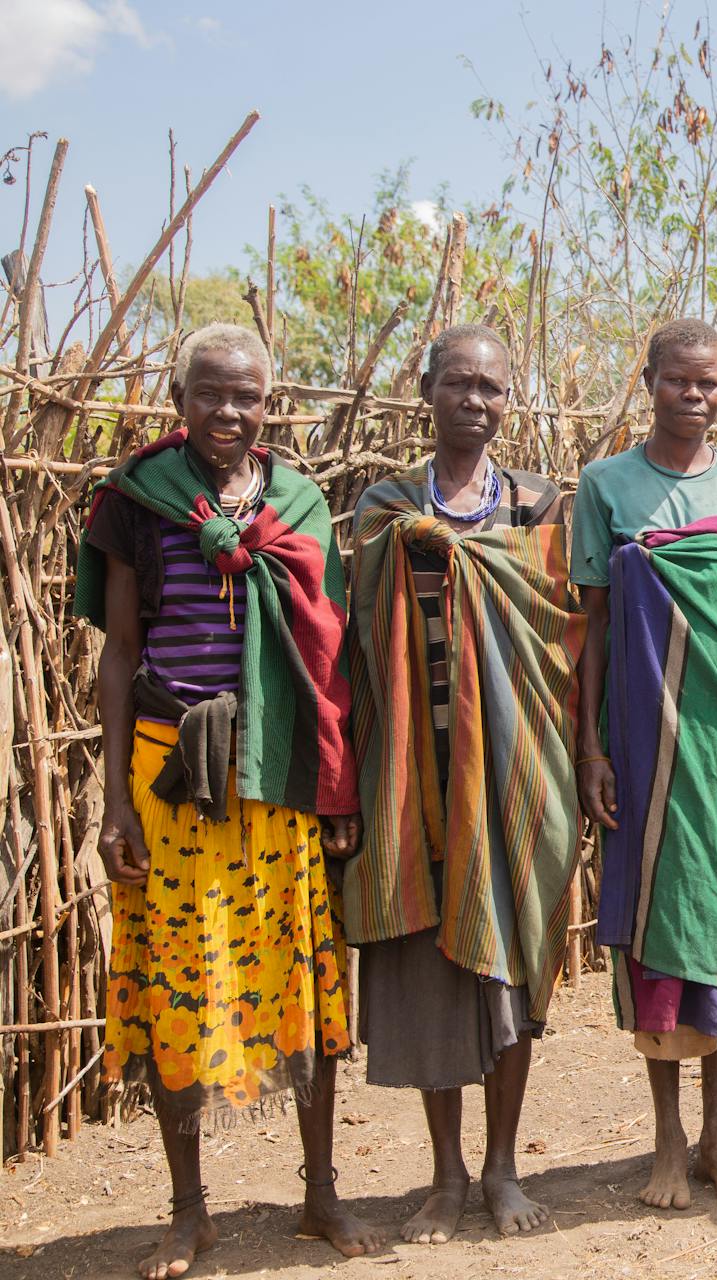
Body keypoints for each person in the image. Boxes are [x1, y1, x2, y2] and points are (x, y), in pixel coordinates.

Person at [76, 324, 381, 1278]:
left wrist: (336, 784)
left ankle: (320, 1193)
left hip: (277, 767)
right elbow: (120, 653)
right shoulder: (137, 500)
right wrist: (116, 800)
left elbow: (328, 659)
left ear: (269, 403)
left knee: (304, 980)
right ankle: (188, 1209)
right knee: (175, 980)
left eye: (247, 396)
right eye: (211, 395)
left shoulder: (296, 504)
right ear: (179, 401)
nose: (230, 412)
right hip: (171, 773)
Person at [344, 324, 585, 1242]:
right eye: (458, 383)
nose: (475, 401)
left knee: (515, 969)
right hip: (417, 777)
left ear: (507, 399)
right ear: (426, 389)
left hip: (520, 774)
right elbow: (361, 641)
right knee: (435, 976)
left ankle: (502, 1169)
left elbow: (567, 635)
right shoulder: (384, 509)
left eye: (491, 386)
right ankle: (444, 1175)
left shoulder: (537, 507)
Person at [573, 318, 717, 1211]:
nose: (694, 399)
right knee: (657, 940)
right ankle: (666, 1142)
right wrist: (590, 743)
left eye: (710, 386)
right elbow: (589, 621)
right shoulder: (605, 485)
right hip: (641, 739)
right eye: (679, 383)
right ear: (651, 380)